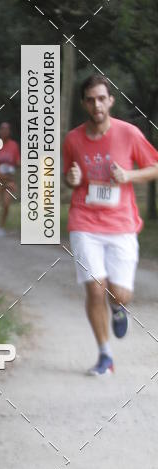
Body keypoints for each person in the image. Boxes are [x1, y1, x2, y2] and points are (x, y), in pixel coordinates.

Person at [63, 75, 158, 376]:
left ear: (111, 101)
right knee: (94, 288)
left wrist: (128, 177)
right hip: (84, 220)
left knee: (119, 293)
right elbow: (68, 175)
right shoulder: (73, 139)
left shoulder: (128, 133)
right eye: (90, 99)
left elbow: (154, 167)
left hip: (121, 224)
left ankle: (119, 307)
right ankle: (105, 356)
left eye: (101, 98)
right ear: (84, 103)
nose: (96, 104)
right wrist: (71, 180)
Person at [0, 121, 20, 235]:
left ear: (9, 131)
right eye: (2, 128)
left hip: (9, 179)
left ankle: (1, 227)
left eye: (7, 129)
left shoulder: (14, 145)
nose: (5, 131)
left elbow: (17, 161)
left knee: (6, 204)